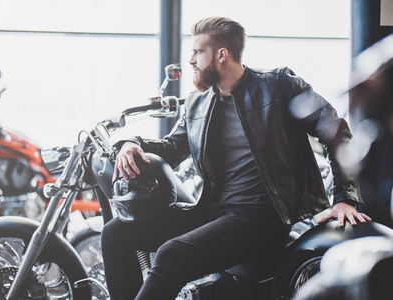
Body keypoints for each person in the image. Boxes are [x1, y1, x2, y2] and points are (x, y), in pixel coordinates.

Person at [101, 16, 371, 300]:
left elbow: (336, 131)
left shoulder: (278, 85)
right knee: (116, 233)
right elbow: (171, 148)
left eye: (197, 52)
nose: (190, 60)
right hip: (213, 210)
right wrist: (130, 142)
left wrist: (345, 198)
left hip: (263, 217)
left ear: (221, 54)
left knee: (172, 253)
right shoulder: (199, 103)